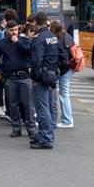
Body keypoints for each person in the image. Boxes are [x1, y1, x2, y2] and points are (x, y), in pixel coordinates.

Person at [0, 20, 37, 138]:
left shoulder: (24, 41)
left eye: (16, 30)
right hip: (10, 77)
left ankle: (31, 128)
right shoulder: (2, 44)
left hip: (24, 77)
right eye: (11, 30)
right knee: (13, 104)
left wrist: (17, 43)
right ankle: (16, 127)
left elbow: (29, 52)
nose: (14, 32)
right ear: (7, 30)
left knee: (28, 104)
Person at [29, 12, 66, 150]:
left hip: (42, 76)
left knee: (42, 108)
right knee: (50, 106)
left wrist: (35, 78)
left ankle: (46, 137)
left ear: (35, 23)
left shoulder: (39, 39)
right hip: (51, 74)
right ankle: (44, 134)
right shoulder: (53, 37)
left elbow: (36, 61)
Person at [50, 21, 75, 128]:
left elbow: (64, 59)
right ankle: (67, 119)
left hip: (64, 70)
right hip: (69, 69)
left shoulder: (60, 40)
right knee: (64, 94)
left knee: (64, 95)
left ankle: (67, 120)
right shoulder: (67, 36)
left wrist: (57, 65)